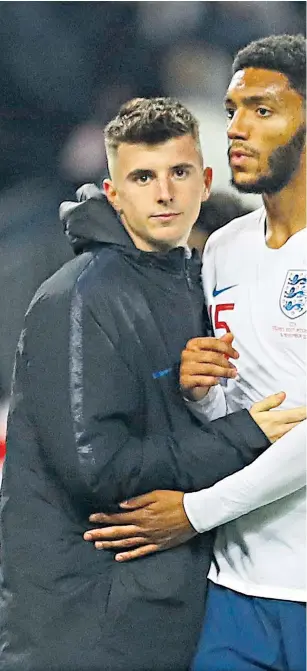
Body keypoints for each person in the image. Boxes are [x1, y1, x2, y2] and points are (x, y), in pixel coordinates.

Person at [0, 97, 303, 671]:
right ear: (115, 194)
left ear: (204, 179)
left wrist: (198, 394)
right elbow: (100, 471)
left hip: (156, 608)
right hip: (84, 627)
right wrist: (245, 434)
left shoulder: (191, 281)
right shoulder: (84, 296)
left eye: (178, 173)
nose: (164, 193)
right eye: (143, 177)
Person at [85, 35, 307, 671]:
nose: (236, 129)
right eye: (231, 109)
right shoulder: (225, 248)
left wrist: (194, 512)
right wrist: (198, 389)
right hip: (234, 590)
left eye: (263, 110)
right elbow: (229, 412)